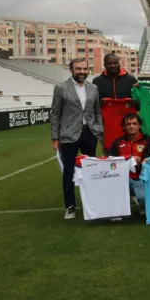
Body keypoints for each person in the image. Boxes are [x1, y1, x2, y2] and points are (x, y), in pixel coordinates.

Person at [51, 58, 104, 220]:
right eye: (79, 69)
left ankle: (92, 203)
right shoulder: (61, 88)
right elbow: (55, 114)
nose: (82, 72)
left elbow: (97, 111)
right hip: (68, 134)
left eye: (84, 69)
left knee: (91, 170)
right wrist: (55, 137)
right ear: (71, 70)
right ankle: (70, 206)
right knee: (69, 171)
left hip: (90, 133)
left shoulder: (93, 88)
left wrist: (99, 129)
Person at [108, 113, 150, 215]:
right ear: (124, 126)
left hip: (142, 178)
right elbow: (112, 163)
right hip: (123, 178)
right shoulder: (117, 142)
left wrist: (139, 164)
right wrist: (129, 161)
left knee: (143, 198)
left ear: (139, 125)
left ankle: (143, 205)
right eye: (128, 124)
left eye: (134, 123)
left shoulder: (148, 140)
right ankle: (117, 211)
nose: (131, 126)